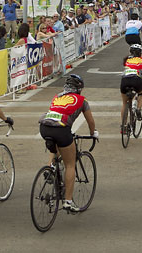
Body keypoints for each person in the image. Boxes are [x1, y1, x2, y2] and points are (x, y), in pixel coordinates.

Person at [39, 74, 98, 212]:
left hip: (44, 127)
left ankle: (51, 167)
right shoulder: (82, 100)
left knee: (56, 147)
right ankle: (68, 201)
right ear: (79, 89)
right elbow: (90, 121)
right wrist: (93, 133)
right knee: (70, 164)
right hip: (61, 129)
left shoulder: (57, 96)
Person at [120, 43, 142, 126]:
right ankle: (138, 108)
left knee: (124, 103)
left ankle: (123, 126)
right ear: (140, 53)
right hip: (136, 80)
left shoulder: (126, 60)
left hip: (124, 80)